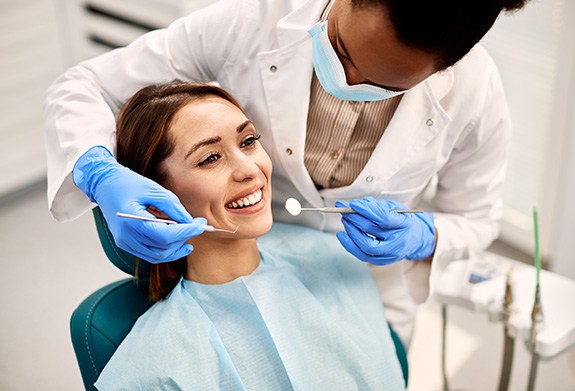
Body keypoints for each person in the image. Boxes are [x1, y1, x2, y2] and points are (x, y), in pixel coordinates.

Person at [43, 0, 530, 344]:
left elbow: (477, 218)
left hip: (364, 297)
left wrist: (426, 235)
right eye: (340, 49)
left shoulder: (474, 91)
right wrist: (98, 171)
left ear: (441, 71)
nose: (347, 82)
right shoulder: (256, 18)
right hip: (241, 272)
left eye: (383, 84)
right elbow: (83, 85)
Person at [93, 81, 406, 390]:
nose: (250, 169)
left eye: (248, 141)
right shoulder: (153, 372)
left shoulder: (335, 262)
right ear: (157, 202)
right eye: (210, 158)